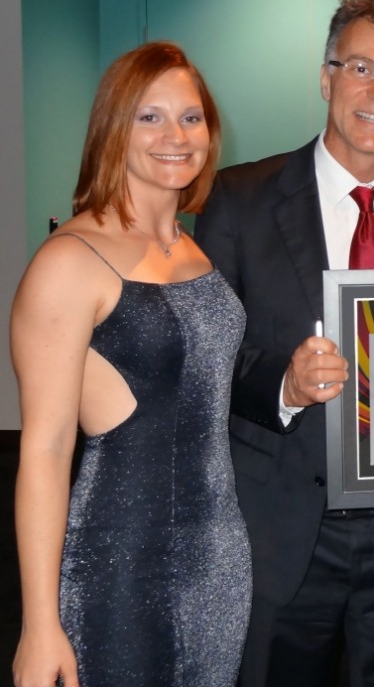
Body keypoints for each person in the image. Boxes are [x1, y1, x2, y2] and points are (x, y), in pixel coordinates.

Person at [193, 0, 374, 687]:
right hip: (285, 528)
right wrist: (282, 385)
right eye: (362, 68)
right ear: (326, 78)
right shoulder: (237, 198)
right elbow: (208, 356)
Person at [11, 41, 250, 687]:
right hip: (121, 563)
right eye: (150, 117)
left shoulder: (192, 249)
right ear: (114, 128)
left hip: (219, 560)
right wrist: (39, 625)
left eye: (191, 118)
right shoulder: (70, 261)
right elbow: (46, 450)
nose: (175, 136)